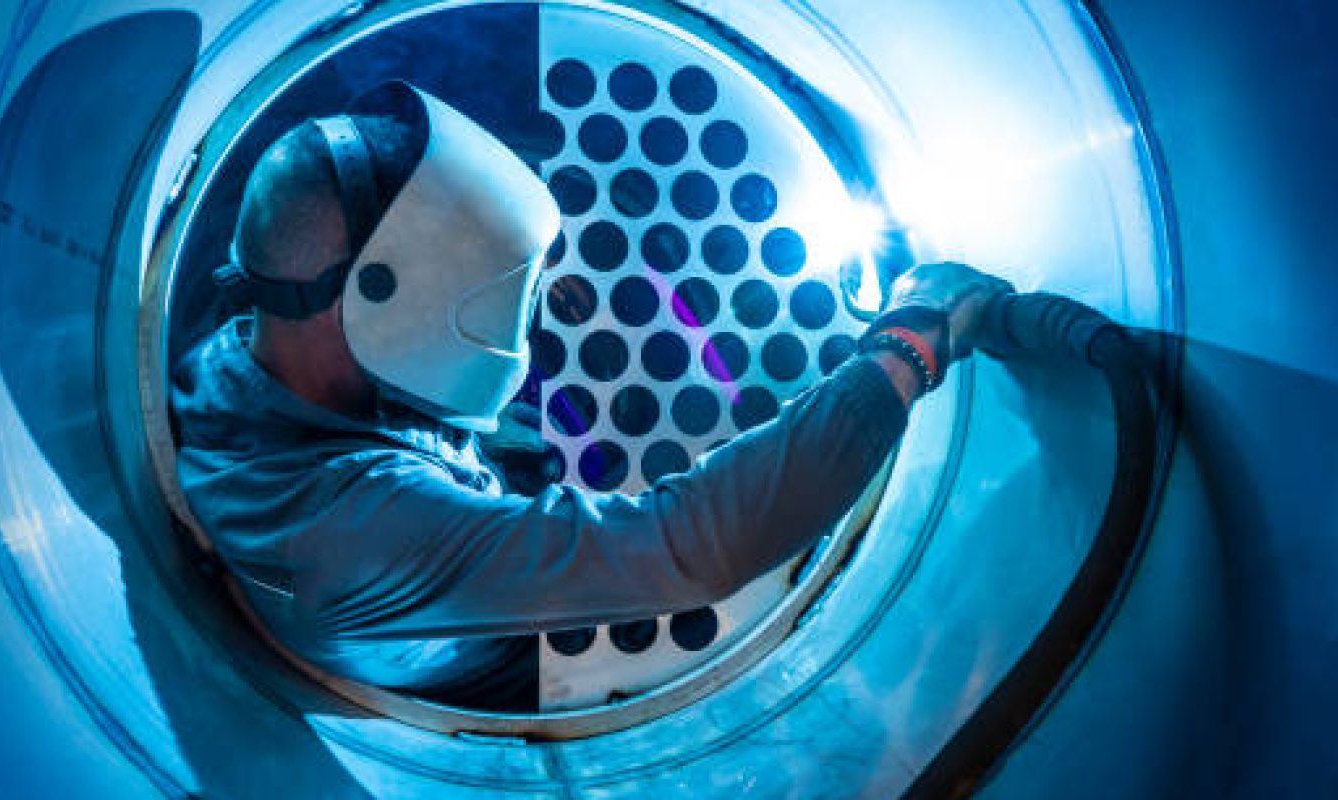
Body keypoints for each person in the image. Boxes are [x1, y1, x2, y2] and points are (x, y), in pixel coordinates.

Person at [171, 81, 1012, 712]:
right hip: (513, 658)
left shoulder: (241, 347)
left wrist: (511, 277)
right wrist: (907, 345)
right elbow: (691, 550)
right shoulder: (365, 529)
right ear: (379, 295)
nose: (527, 324)